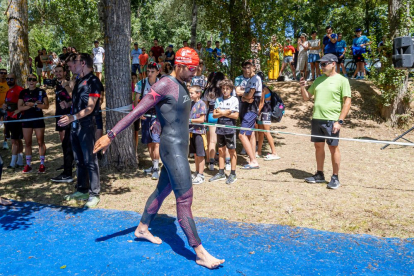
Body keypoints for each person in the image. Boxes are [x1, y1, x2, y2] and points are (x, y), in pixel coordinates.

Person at [93, 47, 225, 269]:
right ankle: (200, 253)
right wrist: (111, 134)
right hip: (171, 149)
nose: (195, 73)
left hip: (179, 148)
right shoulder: (164, 83)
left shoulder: (182, 85)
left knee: (162, 190)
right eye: (191, 69)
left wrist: (158, 118)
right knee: (184, 199)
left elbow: (170, 110)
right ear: (179, 65)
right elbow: (137, 110)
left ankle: (142, 228)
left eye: (196, 68)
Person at [299, 54, 352, 189]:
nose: (322, 67)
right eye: (321, 64)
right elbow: (306, 98)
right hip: (317, 118)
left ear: (333, 64)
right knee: (318, 146)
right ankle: (319, 174)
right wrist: (302, 87)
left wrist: (339, 121)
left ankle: (335, 177)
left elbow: (347, 102)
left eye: (324, 64)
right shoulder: (318, 80)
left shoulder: (342, 80)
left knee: (333, 148)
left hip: (332, 120)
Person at [58, 53, 103, 208]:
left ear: (83, 63)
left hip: (87, 126)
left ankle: (94, 193)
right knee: (79, 160)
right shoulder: (78, 81)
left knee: (90, 160)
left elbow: (90, 108)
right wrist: (68, 104)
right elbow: (79, 101)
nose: (73, 65)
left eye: (75, 62)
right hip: (75, 126)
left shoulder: (94, 81)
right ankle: (82, 189)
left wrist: (72, 117)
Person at [17, 73, 49, 173]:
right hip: (26, 119)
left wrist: (33, 104)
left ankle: (42, 164)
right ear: (27, 81)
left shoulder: (41, 91)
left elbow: (46, 106)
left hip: (38, 119)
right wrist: (32, 105)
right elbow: (20, 107)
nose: (31, 81)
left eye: (34, 80)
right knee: (28, 142)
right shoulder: (23, 92)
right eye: (29, 79)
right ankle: (28, 164)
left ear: (36, 81)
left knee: (40, 142)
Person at [209, 79, 239, 184]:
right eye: (223, 89)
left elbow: (235, 115)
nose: (225, 90)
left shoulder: (235, 100)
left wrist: (221, 112)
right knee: (221, 150)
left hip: (230, 126)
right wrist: (225, 112)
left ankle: (233, 174)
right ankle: (221, 172)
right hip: (220, 126)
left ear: (231, 89)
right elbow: (214, 115)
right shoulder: (218, 100)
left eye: (227, 89)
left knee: (231, 150)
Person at [134, 62, 160, 180]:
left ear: (157, 72)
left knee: (156, 141)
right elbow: (136, 100)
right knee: (148, 142)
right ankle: (153, 165)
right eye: (148, 71)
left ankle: (156, 168)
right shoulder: (141, 83)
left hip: (157, 116)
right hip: (145, 116)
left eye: (152, 72)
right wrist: (139, 113)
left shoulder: (161, 84)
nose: (149, 74)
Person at [50, 65, 74, 183]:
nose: (58, 73)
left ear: (65, 72)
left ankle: (68, 168)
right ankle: (67, 163)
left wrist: (68, 104)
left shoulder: (67, 83)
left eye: (60, 71)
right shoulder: (57, 85)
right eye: (56, 72)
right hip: (58, 115)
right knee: (63, 142)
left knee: (67, 143)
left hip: (67, 117)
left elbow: (74, 98)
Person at [238, 64, 262, 170]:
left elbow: (250, 96)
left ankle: (253, 160)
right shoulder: (250, 80)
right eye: (245, 67)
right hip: (247, 109)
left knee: (241, 135)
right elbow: (246, 96)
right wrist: (245, 97)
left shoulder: (256, 79)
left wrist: (244, 96)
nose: (247, 70)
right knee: (251, 134)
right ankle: (252, 159)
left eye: (249, 67)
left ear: (253, 68)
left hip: (251, 110)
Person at [202, 72, 225, 171]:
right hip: (221, 115)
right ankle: (225, 161)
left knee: (211, 140)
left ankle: (211, 162)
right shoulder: (223, 91)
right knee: (222, 139)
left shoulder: (208, 90)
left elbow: (205, 105)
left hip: (210, 114)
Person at [256, 72, 280, 160]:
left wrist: (256, 113)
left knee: (266, 132)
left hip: (266, 112)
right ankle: (259, 151)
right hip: (261, 113)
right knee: (260, 132)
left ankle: (274, 152)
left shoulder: (263, 88)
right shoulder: (261, 87)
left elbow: (261, 103)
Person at [3, 74, 24, 168]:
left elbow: (26, 101)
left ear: (15, 79)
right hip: (9, 118)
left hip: (17, 118)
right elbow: (7, 103)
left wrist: (19, 110)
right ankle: (20, 161)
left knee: (14, 140)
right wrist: (4, 106)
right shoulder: (8, 91)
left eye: (11, 78)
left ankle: (12, 163)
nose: (9, 80)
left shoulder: (19, 89)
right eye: (7, 78)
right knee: (16, 139)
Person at [188, 85, 207, 185]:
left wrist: (190, 120)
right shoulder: (191, 104)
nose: (190, 94)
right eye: (190, 93)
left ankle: (201, 174)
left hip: (199, 132)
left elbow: (202, 119)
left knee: (200, 154)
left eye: (192, 93)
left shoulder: (202, 104)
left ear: (198, 93)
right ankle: (196, 172)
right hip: (192, 132)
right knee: (195, 154)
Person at [131, 72, 140, 153]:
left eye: (134, 78)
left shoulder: (139, 87)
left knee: (136, 132)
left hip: (137, 113)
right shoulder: (129, 88)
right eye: (132, 78)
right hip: (130, 112)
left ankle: (136, 150)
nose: (133, 80)